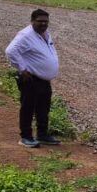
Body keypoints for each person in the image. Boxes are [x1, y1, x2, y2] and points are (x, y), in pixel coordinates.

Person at [6, 8, 60, 148]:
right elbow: (11, 51)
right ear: (32, 21)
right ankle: (26, 137)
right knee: (28, 108)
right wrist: (22, 68)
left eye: (46, 21)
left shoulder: (45, 34)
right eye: (40, 21)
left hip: (43, 80)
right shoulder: (26, 35)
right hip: (30, 79)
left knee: (43, 108)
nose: (43, 24)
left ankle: (42, 135)